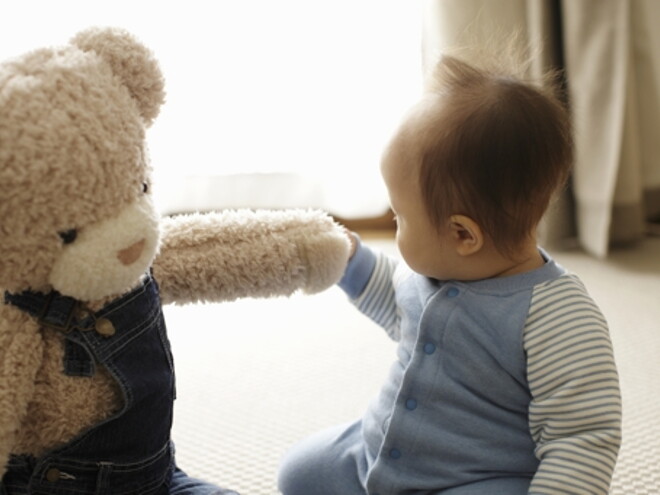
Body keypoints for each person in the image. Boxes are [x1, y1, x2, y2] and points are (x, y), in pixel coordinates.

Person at [277, 52, 622, 494]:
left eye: (399, 217)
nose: (394, 225)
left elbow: (583, 437)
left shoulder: (557, 316)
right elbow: (396, 302)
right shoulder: (434, 271)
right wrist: (348, 260)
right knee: (301, 471)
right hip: (379, 450)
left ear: (462, 234)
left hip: (476, 480)